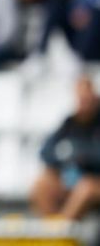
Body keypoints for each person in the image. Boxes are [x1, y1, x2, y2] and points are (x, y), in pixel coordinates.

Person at [30, 76, 100, 219]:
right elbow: (45, 151)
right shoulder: (70, 123)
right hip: (72, 180)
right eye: (81, 99)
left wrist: (83, 156)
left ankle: (64, 228)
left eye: (87, 99)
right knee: (42, 184)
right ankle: (53, 227)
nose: (84, 104)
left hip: (92, 182)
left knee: (85, 188)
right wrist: (64, 159)